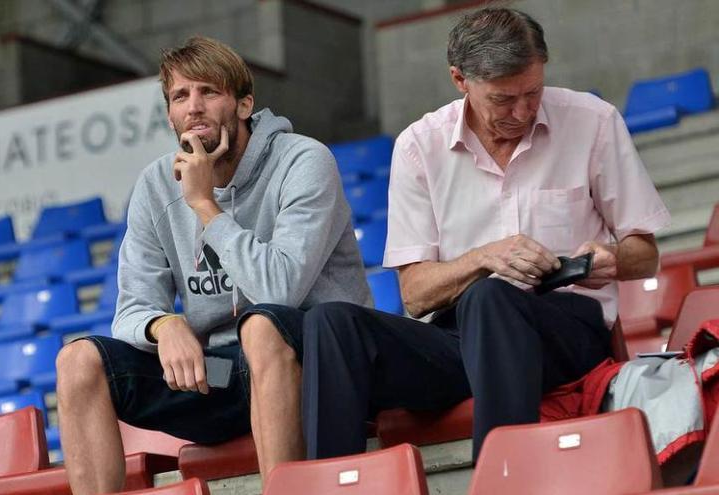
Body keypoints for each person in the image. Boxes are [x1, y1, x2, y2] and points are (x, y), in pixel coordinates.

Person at [300, 7, 671, 462]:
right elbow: (415, 295)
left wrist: (611, 258)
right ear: (460, 80)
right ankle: (328, 483)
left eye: (532, 93)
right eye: (502, 99)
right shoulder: (420, 146)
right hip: (462, 337)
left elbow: (646, 254)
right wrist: (482, 258)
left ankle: (502, 476)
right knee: (331, 323)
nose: (522, 111)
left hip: (565, 331)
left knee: (489, 299)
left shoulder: (592, 121)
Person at [55, 36, 371, 494]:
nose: (194, 107)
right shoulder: (154, 186)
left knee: (262, 327)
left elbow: (279, 290)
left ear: (244, 104)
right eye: (181, 96)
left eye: (209, 92)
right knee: (79, 360)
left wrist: (205, 205)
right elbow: (131, 308)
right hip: (222, 374)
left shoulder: (303, 160)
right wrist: (163, 325)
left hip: (312, 364)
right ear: (169, 114)